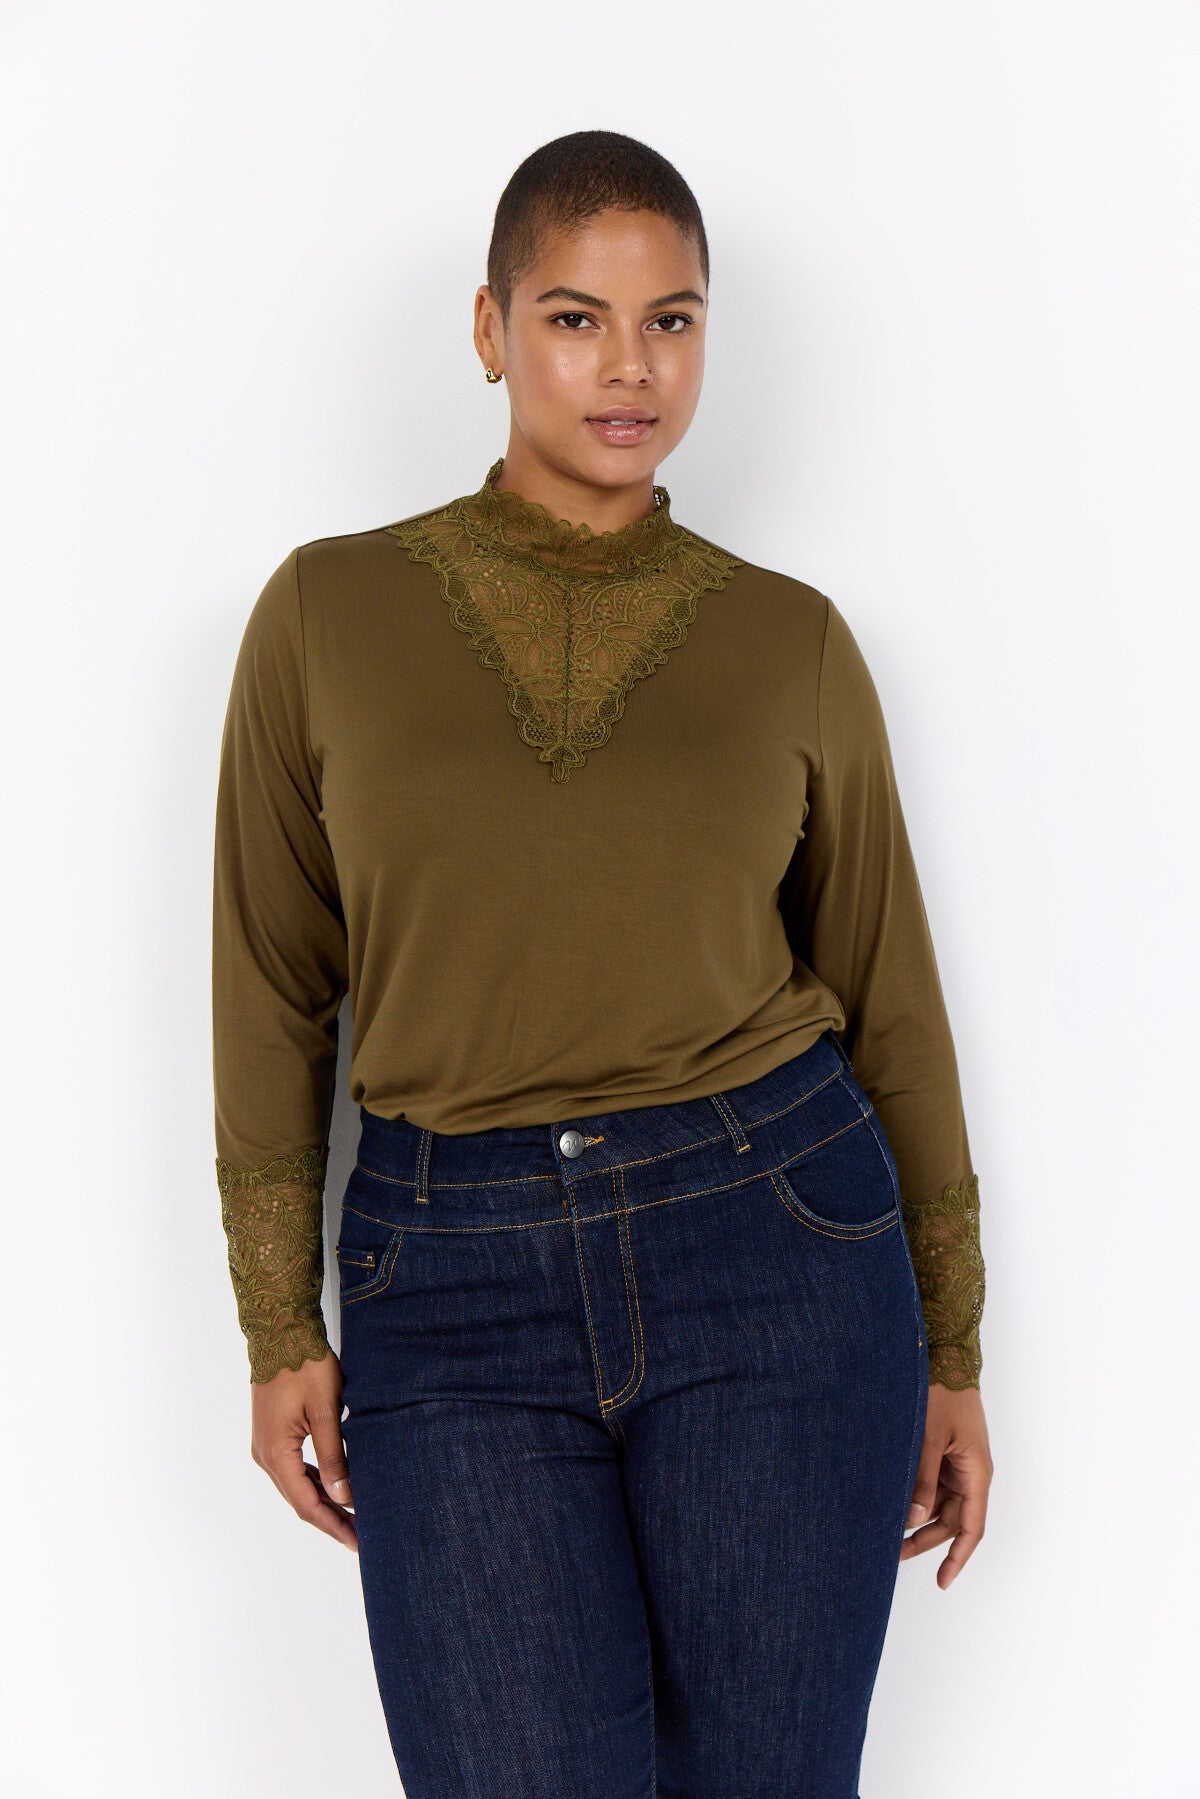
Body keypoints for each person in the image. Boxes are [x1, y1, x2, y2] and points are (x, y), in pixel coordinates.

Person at [212, 128, 993, 1799]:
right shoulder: (326, 614)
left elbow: (889, 998)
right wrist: (277, 1320)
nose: (631, 368)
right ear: (490, 328)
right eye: (576, 318)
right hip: (449, 1282)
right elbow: (273, 979)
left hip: (779, 1249)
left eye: (672, 322)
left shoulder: (791, 638)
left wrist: (955, 1348)